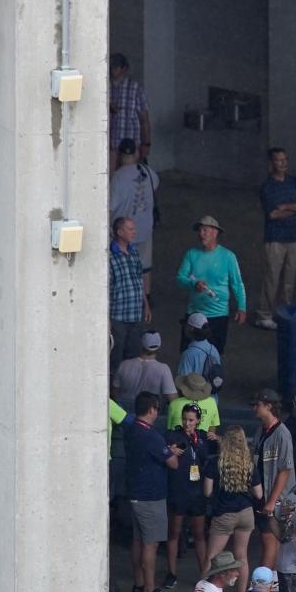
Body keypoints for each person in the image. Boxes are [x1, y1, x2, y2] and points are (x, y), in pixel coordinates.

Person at [124, 392, 184, 592]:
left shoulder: (132, 430)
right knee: (151, 544)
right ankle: (150, 590)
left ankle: (139, 585)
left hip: (135, 493)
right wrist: (172, 453)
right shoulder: (152, 435)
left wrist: (166, 451)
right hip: (151, 496)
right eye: (157, 408)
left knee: (138, 540)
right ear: (151, 409)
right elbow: (172, 463)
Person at [203, 426, 261, 592]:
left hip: (224, 513)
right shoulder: (249, 464)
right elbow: (258, 494)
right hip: (246, 513)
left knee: (212, 557)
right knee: (242, 556)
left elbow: (207, 491)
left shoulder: (216, 463)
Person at [255, 146, 296, 329]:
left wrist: (285, 207)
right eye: (278, 160)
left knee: (289, 280)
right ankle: (264, 314)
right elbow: (272, 215)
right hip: (275, 239)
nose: (283, 163)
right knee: (272, 278)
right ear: (271, 163)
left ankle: (283, 312)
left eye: (285, 159)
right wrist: (295, 207)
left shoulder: (294, 181)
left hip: (294, 237)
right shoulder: (267, 187)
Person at [176, 216, 247, 353]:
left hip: (218, 316)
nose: (201, 234)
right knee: (189, 353)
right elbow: (180, 278)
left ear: (215, 233)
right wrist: (193, 284)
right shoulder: (191, 254)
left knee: (214, 354)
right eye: (200, 231)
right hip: (194, 313)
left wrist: (241, 307)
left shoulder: (228, 257)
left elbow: (237, 283)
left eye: (204, 230)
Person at [165, 403, 211, 589]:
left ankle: (205, 575)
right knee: (174, 533)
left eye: (191, 420)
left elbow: (206, 456)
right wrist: (170, 449)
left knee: (199, 534)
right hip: (179, 490)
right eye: (185, 419)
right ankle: (171, 573)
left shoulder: (202, 438)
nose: (187, 423)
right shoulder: (173, 436)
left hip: (197, 491)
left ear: (198, 421)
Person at [250, 388, 295, 569]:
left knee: (269, 540)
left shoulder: (282, 433)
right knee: (269, 540)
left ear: (269, 406)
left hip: (275, 498)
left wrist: (272, 501)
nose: (254, 408)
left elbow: (285, 470)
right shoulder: (260, 430)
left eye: (257, 405)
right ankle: (270, 580)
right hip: (263, 493)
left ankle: (261, 586)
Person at [110, 139, 159, 296]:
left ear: (119, 154)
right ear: (136, 153)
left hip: (123, 231)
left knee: (121, 265)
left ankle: (125, 296)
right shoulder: (149, 173)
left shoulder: (117, 178)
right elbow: (155, 187)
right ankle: (146, 296)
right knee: (145, 265)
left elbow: (110, 207)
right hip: (144, 227)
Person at [109, 217, 150, 368]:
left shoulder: (134, 253)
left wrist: (146, 305)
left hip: (135, 314)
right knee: (116, 357)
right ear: (120, 232)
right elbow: (106, 289)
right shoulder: (109, 256)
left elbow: (139, 280)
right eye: (130, 229)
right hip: (117, 316)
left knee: (133, 357)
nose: (134, 232)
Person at [113, 330, 177, 408]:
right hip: (149, 415)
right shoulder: (163, 369)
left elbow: (115, 392)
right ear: (159, 346)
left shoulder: (123, 365)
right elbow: (173, 399)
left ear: (141, 344)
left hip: (125, 413)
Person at [109, 52, 151, 166]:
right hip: (110, 147)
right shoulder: (105, 87)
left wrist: (146, 144)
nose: (113, 69)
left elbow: (144, 119)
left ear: (124, 68)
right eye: (111, 66)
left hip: (130, 147)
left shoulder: (135, 87)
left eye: (116, 66)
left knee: (130, 179)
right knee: (112, 181)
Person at [176, 313, 223, 390]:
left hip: (193, 399)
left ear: (191, 329)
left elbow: (182, 383)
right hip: (212, 400)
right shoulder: (214, 350)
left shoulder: (188, 354)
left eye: (187, 325)